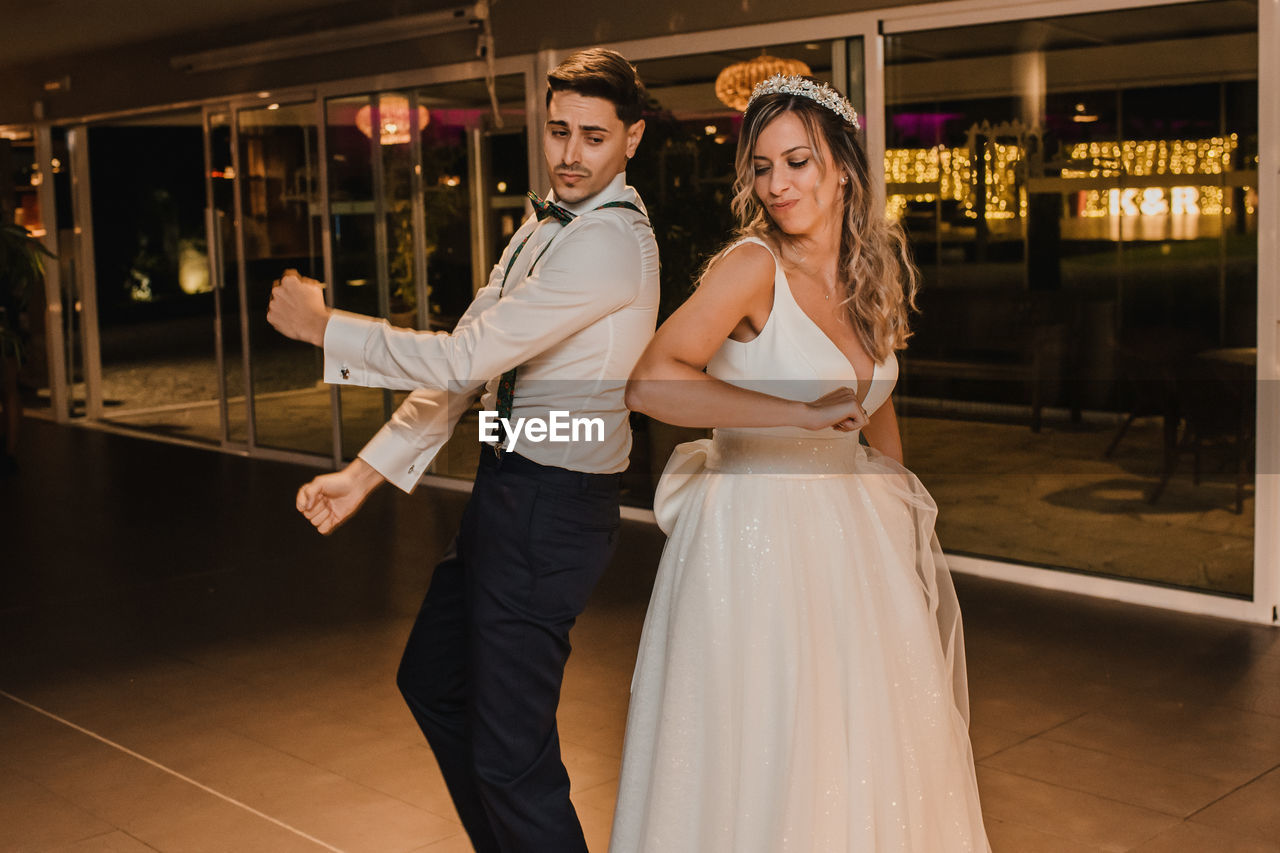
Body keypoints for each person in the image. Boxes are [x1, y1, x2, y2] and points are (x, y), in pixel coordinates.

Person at [266, 48, 659, 853]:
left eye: (592, 136)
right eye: (558, 131)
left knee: (513, 756)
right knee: (433, 681)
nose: (570, 154)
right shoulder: (544, 227)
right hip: (510, 487)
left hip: (552, 504)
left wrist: (326, 327)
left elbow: (458, 361)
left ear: (632, 140)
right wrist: (363, 473)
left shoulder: (608, 244)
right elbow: (469, 363)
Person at [612, 74, 990, 852]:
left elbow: (874, 404)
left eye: (798, 163)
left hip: (853, 543)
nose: (776, 184)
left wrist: (904, 540)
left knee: (860, 739)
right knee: (768, 736)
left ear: (843, 168)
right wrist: (793, 412)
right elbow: (650, 381)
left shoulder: (869, 273)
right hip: (754, 535)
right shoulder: (752, 267)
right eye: (762, 166)